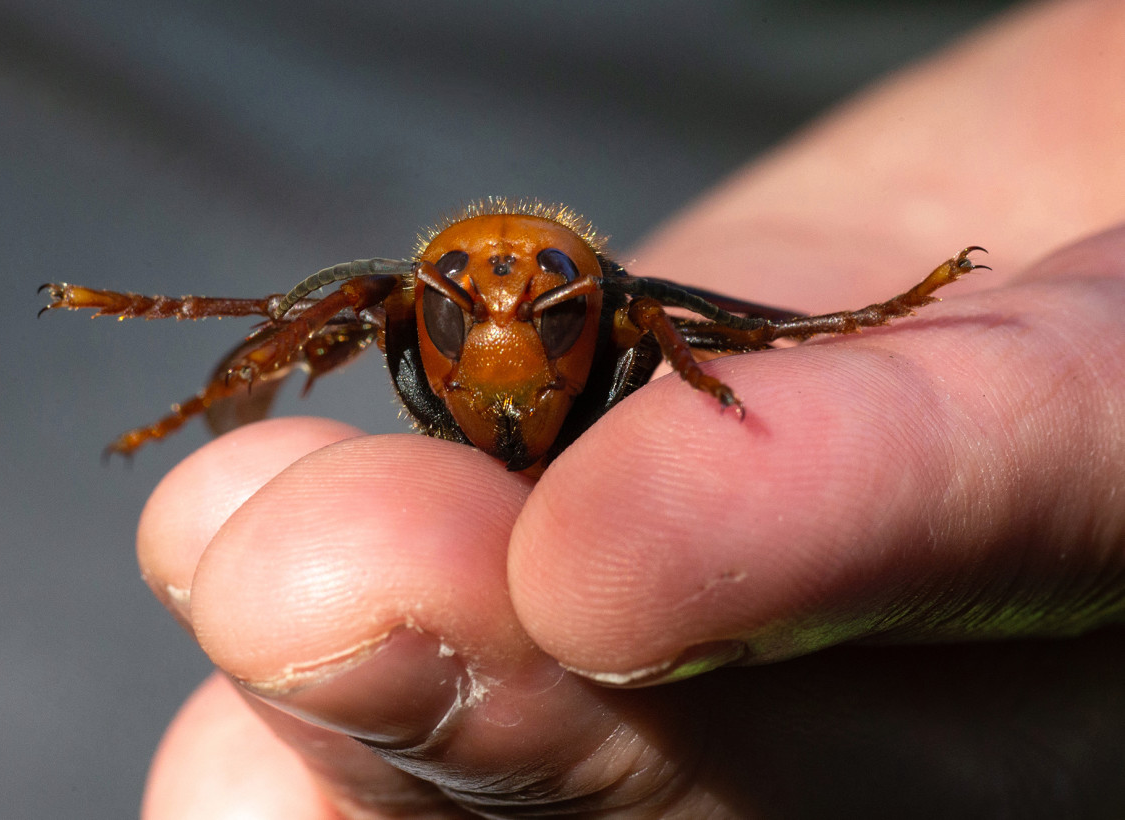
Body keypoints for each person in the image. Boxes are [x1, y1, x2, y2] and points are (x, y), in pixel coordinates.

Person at [138, 0, 1124, 816]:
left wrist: (858, 323)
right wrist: (222, 339)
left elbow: (706, 318)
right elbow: (333, 309)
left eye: (545, 300)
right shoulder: (392, 304)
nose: (502, 330)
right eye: (463, 301)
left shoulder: (627, 312)